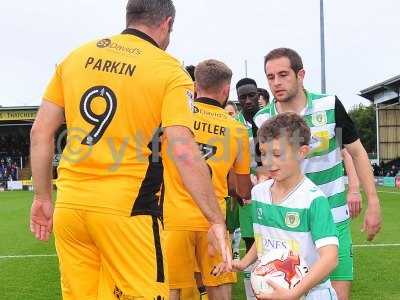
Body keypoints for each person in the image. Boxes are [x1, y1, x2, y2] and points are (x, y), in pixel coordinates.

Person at [29, 1, 231, 299]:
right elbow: (183, 149)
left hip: (70, 205)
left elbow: (40, 132)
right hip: (128, 209)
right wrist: (215, 220)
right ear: (167, 23)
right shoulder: (170, 70)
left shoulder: (76, 56)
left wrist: (42, 197)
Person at [253, 47, 382, 300]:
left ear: (300, 74)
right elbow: (264, 170)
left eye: (283, 74)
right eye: (270, 77)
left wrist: (373, 202)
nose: (276, 83)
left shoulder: (329, 105)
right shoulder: (261, 118)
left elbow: (356, 152)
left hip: (333, 216)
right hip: (291, 227)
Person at [163, 59, 252, 300]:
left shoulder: (175, 119)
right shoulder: (237, 130)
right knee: (220, 289)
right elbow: (243, 190)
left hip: (174, 219)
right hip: (213, 221)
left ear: (195, 86)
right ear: (226, 90)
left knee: (172, 289)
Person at [232, 112, 339, 300]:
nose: (268, 162)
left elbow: (330, 258)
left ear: (302, 152)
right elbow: (264, 239)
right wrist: (244, 262)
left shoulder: (313, 200)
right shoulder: (259, 193)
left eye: (277, 154)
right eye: (264, 154)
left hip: (311, 294)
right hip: (275, 291)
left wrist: (293, 293)